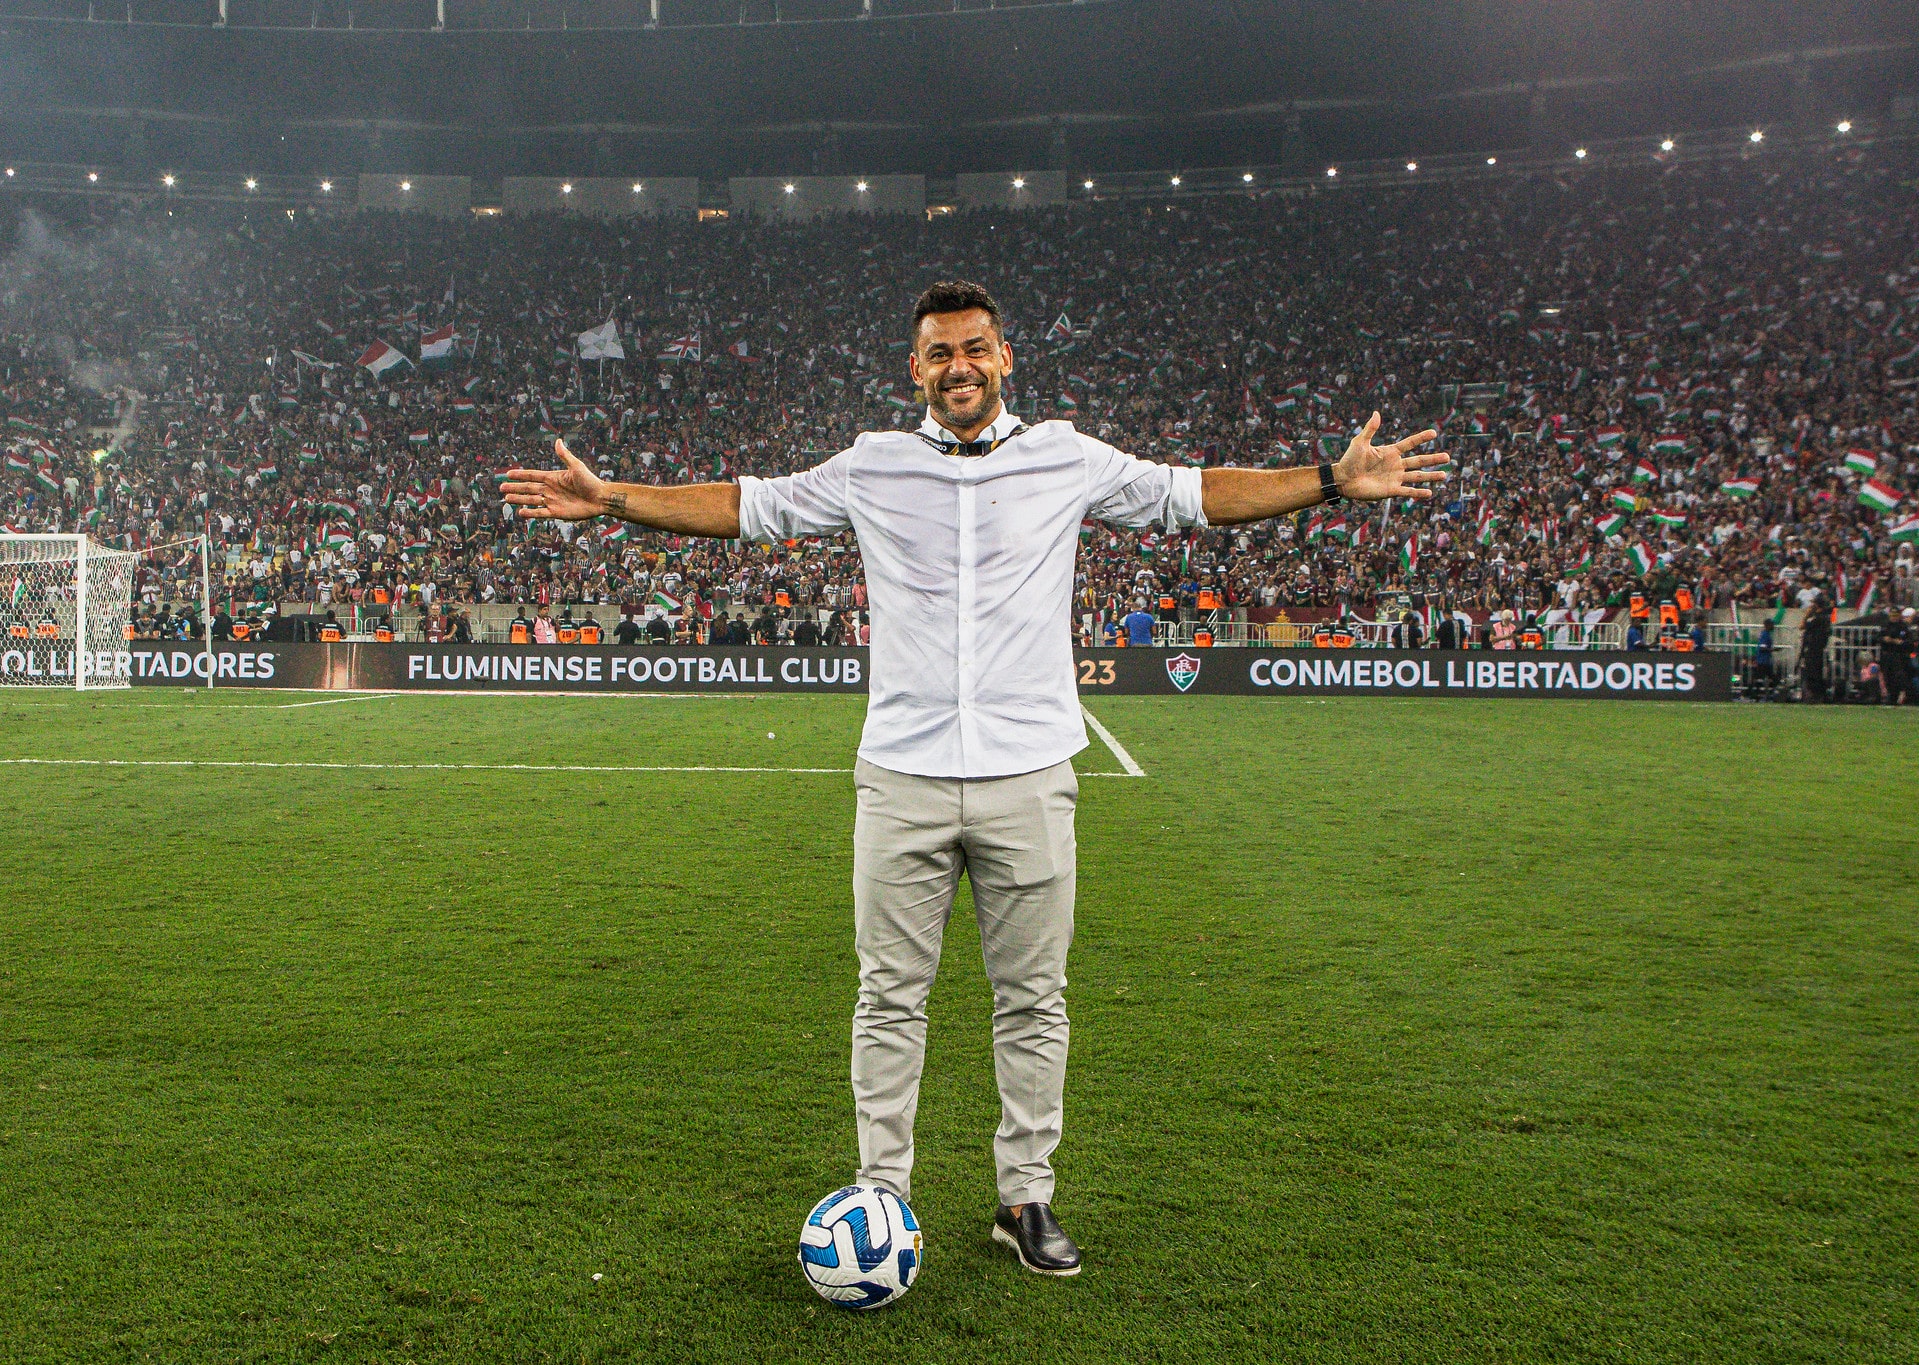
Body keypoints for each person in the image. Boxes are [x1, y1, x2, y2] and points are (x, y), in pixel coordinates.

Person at [502, 279, 1446, 1277]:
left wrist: (1329, 481)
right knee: (887, 998)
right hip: (900, 775)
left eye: (975, 348)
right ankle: (881, 1198)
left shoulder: (1066, 456)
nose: (959, 366)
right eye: (939, 353)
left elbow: (1195, 494)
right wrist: (612, 501)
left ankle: (1024, 1201)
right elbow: (750, 508)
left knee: (1033, 1001)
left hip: (1029, 775)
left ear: (1005, 358)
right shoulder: (871, 465)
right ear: (915, 369)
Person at [1879, 607, 1913, 706]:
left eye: (1895, 616)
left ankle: (1902, 696)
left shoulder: (1903, 627)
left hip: (1898, 656)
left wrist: (1899, 642)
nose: (1893, 618)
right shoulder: (1886, 626)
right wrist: (1884, 639)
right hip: (1886, 654)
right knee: (1887, 676)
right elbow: (1878, 637)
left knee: (1898, 676)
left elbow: (1908, 641)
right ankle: (1891, 696)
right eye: (1892, 615)